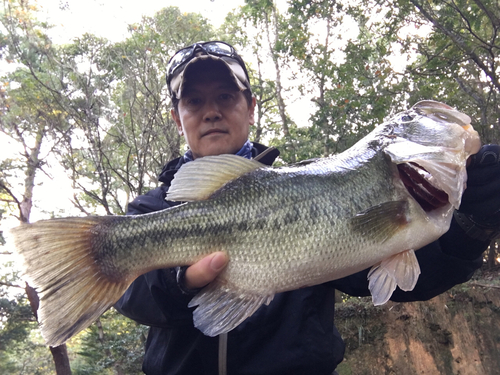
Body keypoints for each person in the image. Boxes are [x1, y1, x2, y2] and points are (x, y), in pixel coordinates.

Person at [115, 41, 500, 375]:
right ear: (177, 119)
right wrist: (179, 279)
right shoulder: (151, 210)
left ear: (250, 107)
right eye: (194, 100)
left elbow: (402, 275)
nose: (211, 111)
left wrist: (471, 227)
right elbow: (129, 293)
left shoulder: (313, 186)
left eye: (226, 96)